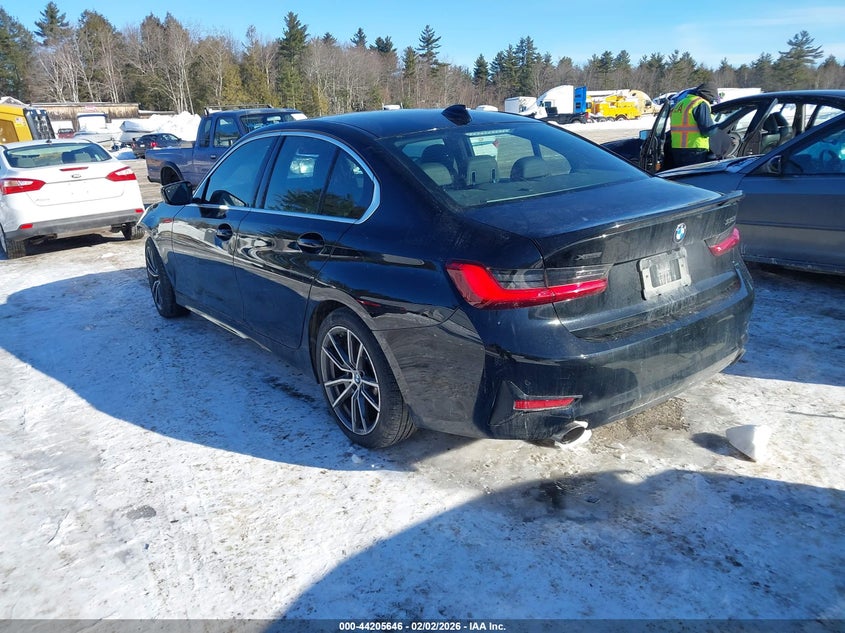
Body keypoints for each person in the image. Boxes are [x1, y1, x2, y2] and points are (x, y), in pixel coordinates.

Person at [669, 82, 720, 167]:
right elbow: (708, 130)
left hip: (676, 148)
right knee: (694, 177)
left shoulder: (681, 103)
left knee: (682, 176)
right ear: (710, 95)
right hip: (695, 149)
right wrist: (719, 128)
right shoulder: (700, 103)